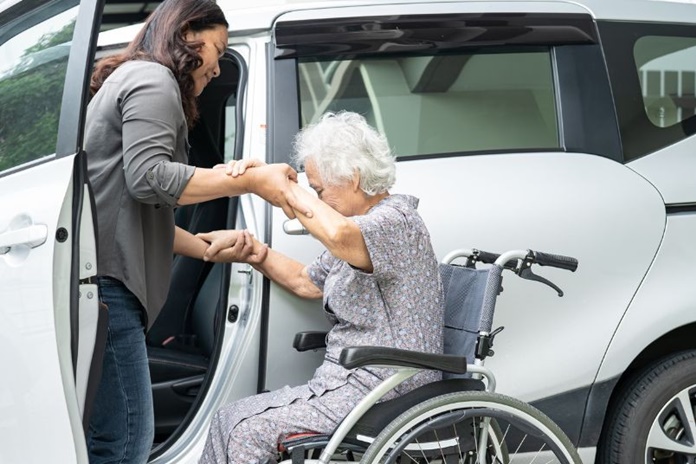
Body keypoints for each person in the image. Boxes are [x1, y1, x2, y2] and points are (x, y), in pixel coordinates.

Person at [83, 0, 308, 462]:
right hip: (110, 284)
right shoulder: (154, 79)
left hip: (102, 279)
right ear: (187, 34)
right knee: (125, 443)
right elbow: (148, 180)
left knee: (111, 437)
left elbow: (132, 213)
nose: (218, 64)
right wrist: (248, 178)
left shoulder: (133, 77)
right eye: (219, 49)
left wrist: (206, 248)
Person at [196, 111, 444, 464]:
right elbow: (307, 281)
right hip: (349, 382)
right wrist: (254, 252)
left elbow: (338, 237)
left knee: (247, 432)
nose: (316, 199)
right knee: (227, 418)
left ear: (353, 177)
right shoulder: (361, 229)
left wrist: (284, 188)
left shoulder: (394, 223)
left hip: (386, 385)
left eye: (319, 190)